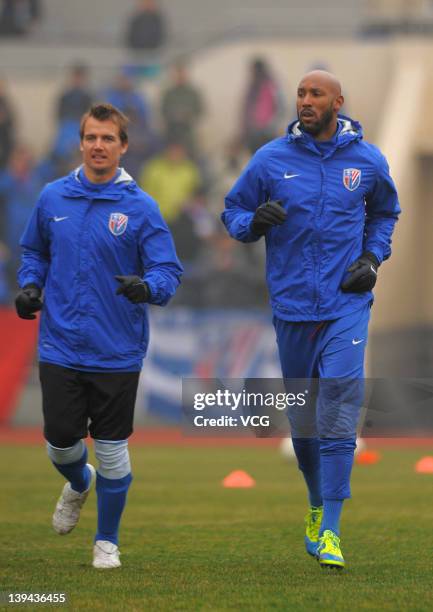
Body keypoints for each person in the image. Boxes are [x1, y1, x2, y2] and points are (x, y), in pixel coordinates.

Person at [222, 70, 400, 570]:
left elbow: (385, 213)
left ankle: (332, 531)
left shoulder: (366, 160)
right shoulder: (270, 159)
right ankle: (316, 504)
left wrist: (371, 258)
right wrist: (252, 224)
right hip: (292, 308)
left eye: (315, 94)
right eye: (301, 93)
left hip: (346, 303)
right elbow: (233, 210)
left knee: (340, 402)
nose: (305, 100)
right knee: (303, 428)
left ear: (337, 102)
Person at [15, 103, 182, 569]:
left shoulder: (141, 208)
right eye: (91, 137)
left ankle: (106, 541)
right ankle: (78, 481)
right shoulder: (52, 198)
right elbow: (34, 252)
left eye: (108, 138)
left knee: (112, 451)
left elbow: (168, 269)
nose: (99, 145)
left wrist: (149, 287)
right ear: (81, 143)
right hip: (61, 344)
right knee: (61, 444)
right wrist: (30, 286)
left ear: (123, 147)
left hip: (117, 350)